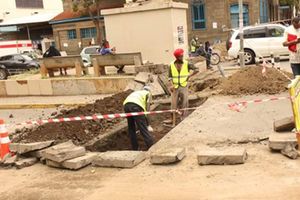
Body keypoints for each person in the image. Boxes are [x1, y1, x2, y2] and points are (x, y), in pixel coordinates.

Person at [168, 48, 199, 119]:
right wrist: (171, 85)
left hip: (184, 86)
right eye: (180, 56)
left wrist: (190, 75)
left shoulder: (186, 63)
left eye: (182, 56)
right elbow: (170, 77)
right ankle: (172, 118)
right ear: (176, 57)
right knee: (173, 104)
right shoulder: (171, 65)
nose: (182, 57)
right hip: (175, 87)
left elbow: (197, 70)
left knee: (184, 102)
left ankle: (184, 118)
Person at [123, 86, 154, 150]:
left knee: (131, 127)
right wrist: (148, 124)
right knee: (143, 128)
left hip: (126, 105)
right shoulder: (148, 94)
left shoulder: (137, 92)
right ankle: (150, 146)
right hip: (135, 106)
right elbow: (147, 110)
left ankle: (135, 148)